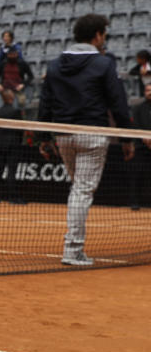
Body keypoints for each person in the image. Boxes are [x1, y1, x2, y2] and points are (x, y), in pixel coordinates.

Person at [37, 13, 134, 266]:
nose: (105, 39)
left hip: (64, 136)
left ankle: (74, 246)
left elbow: (45, 103)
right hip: (92, 135)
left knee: (77, 189)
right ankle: (73, 250)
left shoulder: (55, 65)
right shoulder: (104, 64)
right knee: (81, 191)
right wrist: (126, 136)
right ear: (97, 35)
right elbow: (118, 102)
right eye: (105, 34)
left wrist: (43, 137)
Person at [0, 89, 25, 203]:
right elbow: (20, 130)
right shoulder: (16, 112)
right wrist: (19, 142)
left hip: (0, 144)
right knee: (11, 172)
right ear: (11, 98)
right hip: (13, 145)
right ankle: (13, 198)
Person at [130, 82, 151, 210]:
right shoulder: (137, 108)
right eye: (148, 90)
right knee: (137, 175)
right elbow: (135, 125)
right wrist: (145, 138)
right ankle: (134, 202)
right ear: (144, 92)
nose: (150, 92)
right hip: (141, 147)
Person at [0, 46, 34, 110]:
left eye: (14, 54)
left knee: (15, 110)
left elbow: (31, 76)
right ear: (7, 55)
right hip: (4, 90)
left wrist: (23, 84)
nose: (12, 56)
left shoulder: (22, 63)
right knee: (0, 109)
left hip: (17, 90)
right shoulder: (3, 63)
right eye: (10, 55)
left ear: (17, 54)